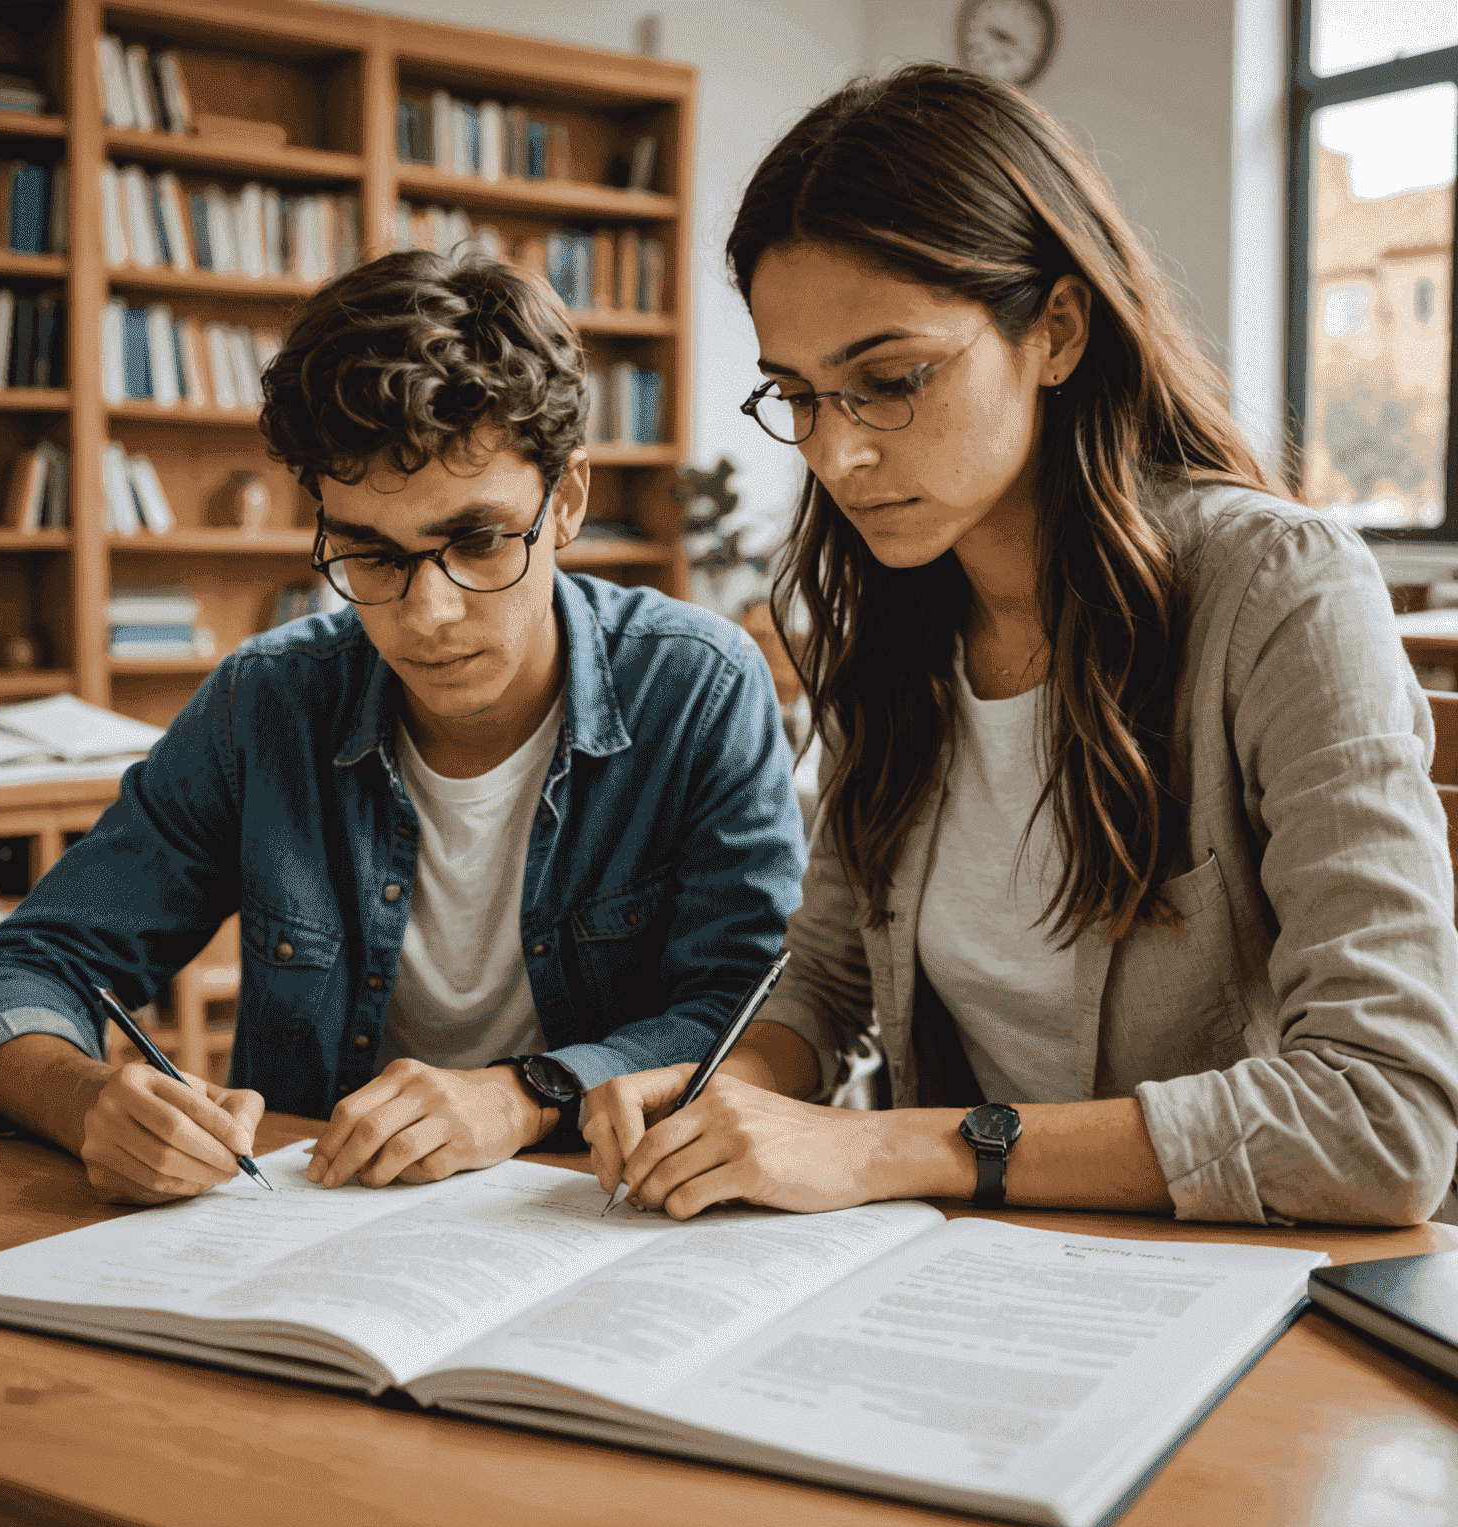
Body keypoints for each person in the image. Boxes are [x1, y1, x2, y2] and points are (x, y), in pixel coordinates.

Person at [584, 64, 1458, 1228]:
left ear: (1055, 328)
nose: (835, 456)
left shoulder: (1281, 596)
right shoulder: (895, 608)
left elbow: (1383, 1117)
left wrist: (903, 1150)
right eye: (796, 394)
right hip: (968, 1282)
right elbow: (830, 979)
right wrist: (718, 1098)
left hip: (1234, 1298)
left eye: (889, 382)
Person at [0, 250, 805, 1204]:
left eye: (475, 541)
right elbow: (21, 971)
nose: (426, 613)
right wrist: (88, 1098)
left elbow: (748, 1021)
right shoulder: (265, 704)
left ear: (568, 503)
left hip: (597, 1217)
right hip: (315, 1231)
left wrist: (524, 1097)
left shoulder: (697, 687)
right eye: (370, 553)